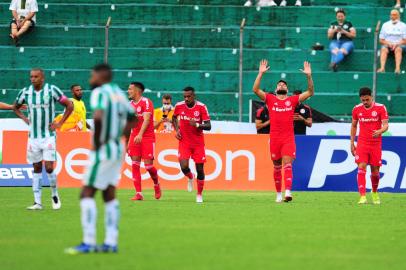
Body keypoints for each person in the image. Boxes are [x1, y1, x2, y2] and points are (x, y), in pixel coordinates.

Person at [65, 64, 137, 254]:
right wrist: (120, 135)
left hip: (104, 148)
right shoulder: (118, 93)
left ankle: (88, 242)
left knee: (86, 192)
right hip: (117, 147)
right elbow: (133, 117)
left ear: (101, 75)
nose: (91, 78)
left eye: (92, 75)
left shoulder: (99, 93)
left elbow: (97, 117)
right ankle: (111, 242)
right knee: (109, 193)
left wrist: (98, 142)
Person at [253, 60, 314, 203]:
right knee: (276, 166)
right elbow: (255, 90)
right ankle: (278, 194)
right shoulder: (270, 99)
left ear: (287, 90)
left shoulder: (293, 100)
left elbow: (311, 91)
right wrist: (260, 73)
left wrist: (308, 76)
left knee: (287, 164)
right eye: (279, 84)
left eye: (284, 85)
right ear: (275, 90)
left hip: (288, 138)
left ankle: (288, 191)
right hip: (274, 139)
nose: (281, 85)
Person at [12, 68, 73, 210]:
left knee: (49, 167)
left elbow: (69, 105)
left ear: (42, 78)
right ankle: (37, 202)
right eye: (31, 77)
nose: (33, 79)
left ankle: (54, 194)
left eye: (36, 77)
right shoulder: (26, 92)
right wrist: (25, 118)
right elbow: (15, 107)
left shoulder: (52, 90)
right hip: (33, 137)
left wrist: (60, 123)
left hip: (48, 136)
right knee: (37, 167)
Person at [172, 87, 211, 203]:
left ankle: (199, 194)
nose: (186, 99)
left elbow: (209, 126)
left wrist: (198, 125)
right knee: (183, 166)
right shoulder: (179, 106)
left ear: (194, 96)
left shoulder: (201, 107)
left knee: (200, 169)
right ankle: (190, 177)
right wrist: (177, 130)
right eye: (184, 96)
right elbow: (173, 118)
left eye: (189, 96)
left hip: (198, 143)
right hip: (184, 141)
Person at [350, 87, 389, 205]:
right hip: (362, 143)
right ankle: (362, 196)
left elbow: (386, 125)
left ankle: (375, 192)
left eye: (367, 100)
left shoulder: (381, 108)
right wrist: (352, 142)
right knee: (361, 166)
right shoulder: (356, 109)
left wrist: (380, 131)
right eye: (363, 100)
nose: (365, 102)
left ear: (371, 97)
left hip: (376, 144)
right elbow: (354, 126)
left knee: (375, 171)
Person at [127, 82, 162, 201]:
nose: (128, 91)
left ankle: (156, 184)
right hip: (134, 137)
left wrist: (140, 134)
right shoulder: (129, 105)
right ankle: (139, 193)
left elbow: (147, 119)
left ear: (137, 91)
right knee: (135, 164)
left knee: (148, 166)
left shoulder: (146, 102)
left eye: (130, 89)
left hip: (147, 137)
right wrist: (128, 142)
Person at [377, 9, 406, 74]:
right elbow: (381, 40)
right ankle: (382, 68)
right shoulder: (385, 25)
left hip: (400, 45)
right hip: (387, 44)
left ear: (398, 16)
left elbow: (405, 40)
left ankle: (397, 68)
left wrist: (396, 44)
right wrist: (389, 43)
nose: (392, 16)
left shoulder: (403, 26)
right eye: (391, 14)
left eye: (394, 15)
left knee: (398, 49)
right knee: (383, 49)